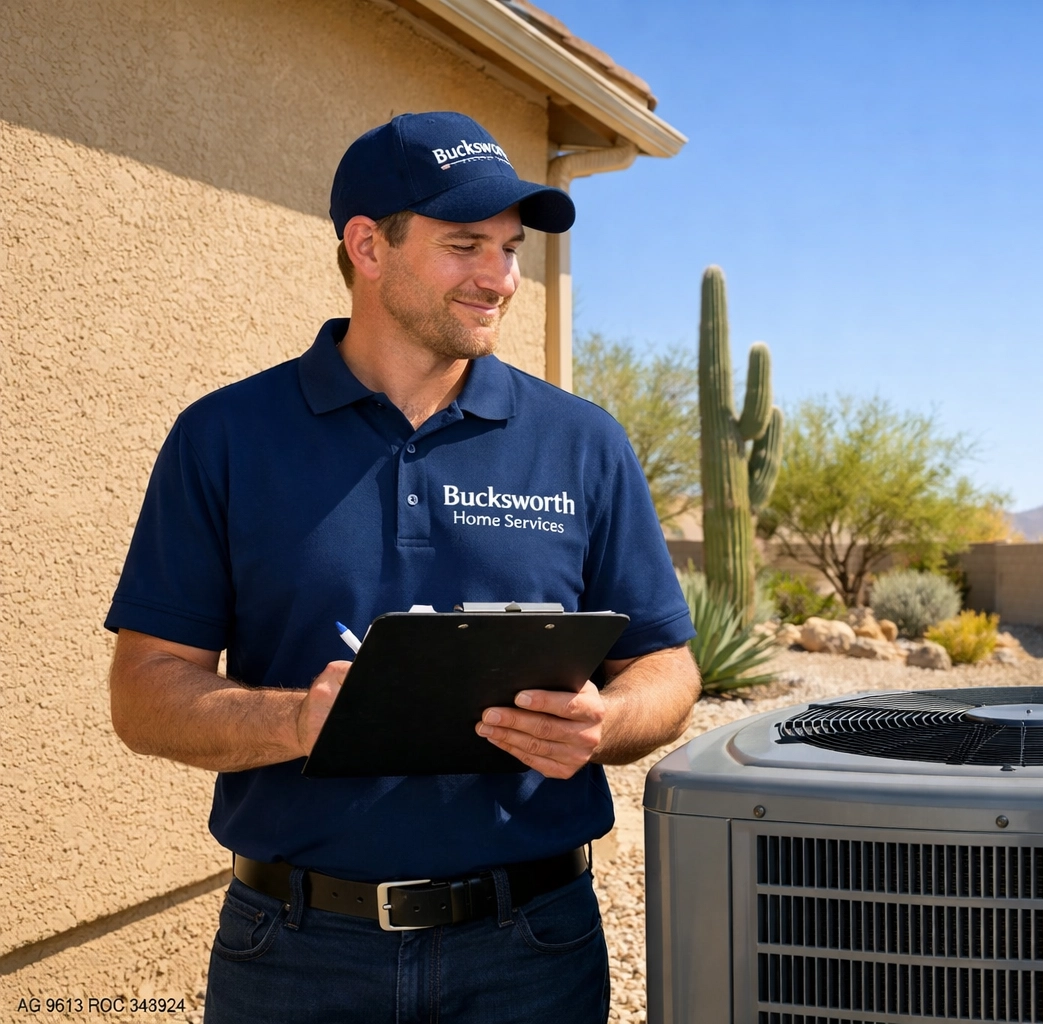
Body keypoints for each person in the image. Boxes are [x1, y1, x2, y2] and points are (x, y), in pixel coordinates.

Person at [105, 111, 700, 1023]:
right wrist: (299, 721)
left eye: (509, 248)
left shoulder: (582, 443)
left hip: (533, 952)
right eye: (466, 244)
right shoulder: (225, 438)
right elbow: (145, 693)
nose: (500, 278)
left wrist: (605, 721)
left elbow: (668, 666)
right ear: (366, 247)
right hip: (295, 956)